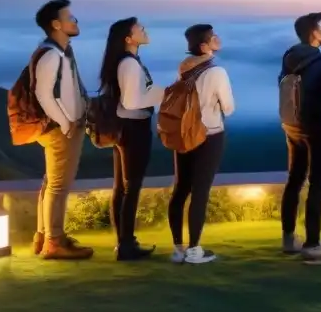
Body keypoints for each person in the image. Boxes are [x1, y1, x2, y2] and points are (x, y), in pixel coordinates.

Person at [168, 24, 235, 265]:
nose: (218, 38)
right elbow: (229, 107)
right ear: (205, 46)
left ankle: (178, 248)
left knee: (181, 189)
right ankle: (195, 250)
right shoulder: (217, 72)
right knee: (200, 192)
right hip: (209, 135)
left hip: (183, 134)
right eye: (213, 36)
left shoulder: (184, 68)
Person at [32, 0, 93, 260]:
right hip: (60, 130)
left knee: (51, 183)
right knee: (59, 186)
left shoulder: (60, 52)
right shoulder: (51, 54)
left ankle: (44, 237)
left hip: (63, 127)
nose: (75, 21)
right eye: (70, 18)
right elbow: (43, 94)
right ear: (56, 24)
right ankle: (54, 242)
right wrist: (67, 123)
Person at [99, 17, 164, 261]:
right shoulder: (129, 64)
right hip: (133, 128)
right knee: (131, 187)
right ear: (128, 39)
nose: (145, 30)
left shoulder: (126, 62)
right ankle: (127, 245)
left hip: (124, 128)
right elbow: (132, 101)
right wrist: (163, 93)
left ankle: (124, 242)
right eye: (140, 29)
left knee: (123, 187)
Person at [278, 12, 321, 263]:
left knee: (294, 179)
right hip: (318, 130)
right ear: (314, 33)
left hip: (292, 126)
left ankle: (289, 238)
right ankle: (313, 244)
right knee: (317, 184)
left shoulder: (289, 57)